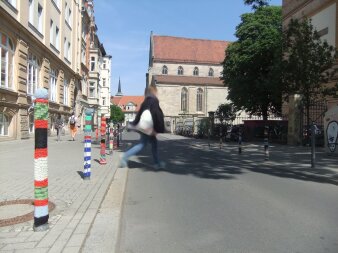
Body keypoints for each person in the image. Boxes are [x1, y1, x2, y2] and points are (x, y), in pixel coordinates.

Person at [120, 85, 165, 169]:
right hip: (150, 128)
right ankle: (125, 156)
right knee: (142, 144)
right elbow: (156, 114)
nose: (157, 93)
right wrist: (158, 128)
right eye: (156, 92)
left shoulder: (145, 102)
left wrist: (133, 124)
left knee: (153, 144)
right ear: (153, 92)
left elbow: (139, 115)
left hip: (144, 127)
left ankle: (157, 163)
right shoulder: (154, 100)